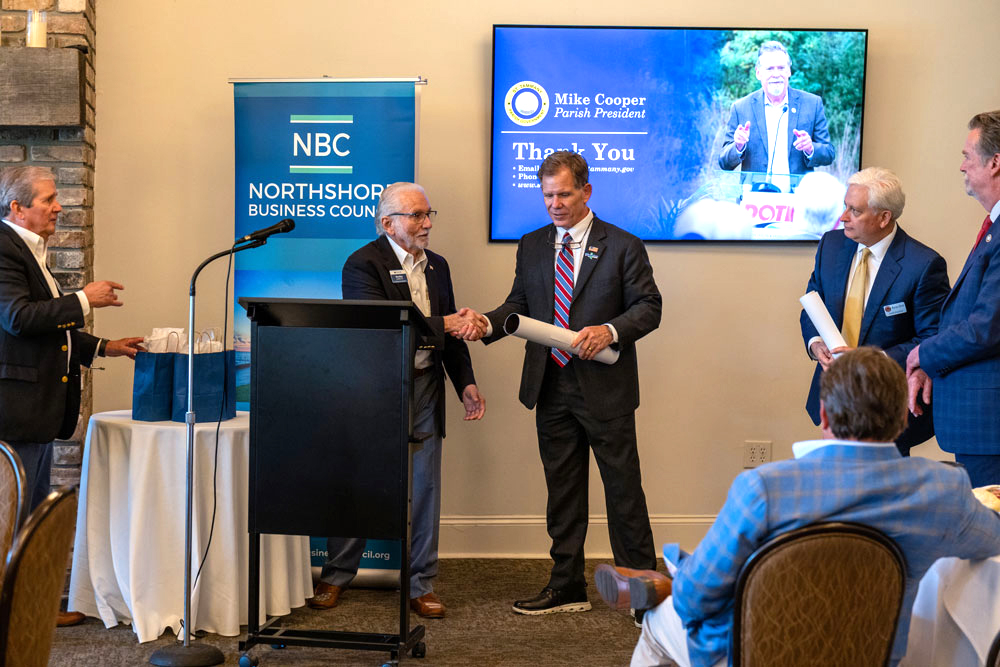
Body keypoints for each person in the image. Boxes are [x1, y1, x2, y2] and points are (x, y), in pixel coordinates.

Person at [599, 347, 1000, 667]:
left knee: (661, 616)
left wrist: (683, 586)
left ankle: (664, 581)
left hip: (756, 654)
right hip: (872, 656)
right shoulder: (942, 488)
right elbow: (991, 539)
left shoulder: (764, 488)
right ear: (900, 420)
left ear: (824, 415)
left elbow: (694, 603)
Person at [460, 150, 661, 615]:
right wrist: (486, 325)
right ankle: (567, 587)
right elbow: (518, 304)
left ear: (586, 191)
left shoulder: (623, 245)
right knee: (563, 493)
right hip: (550, 385)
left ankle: (643, 597)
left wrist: (609, 330)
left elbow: (649, 307)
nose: (555, 203)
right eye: (547, 194)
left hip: (605, 388)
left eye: (564, 194)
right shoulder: (531, 244)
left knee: (624, 493)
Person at [308, 182, 486, 619]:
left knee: (425, 487)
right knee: (361, 481)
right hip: (375, 388)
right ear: (388, 223)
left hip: (426, 385)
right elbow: (384, 325)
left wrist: (465, 382)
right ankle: (335, 575)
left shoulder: (438, 266)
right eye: (417, 216)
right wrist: (446, 323)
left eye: (429, 214)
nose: (427, 224)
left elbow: (451, 337)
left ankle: (420, 584)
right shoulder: (363, 264)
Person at [0, 165, 144, 626]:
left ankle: (32, 608)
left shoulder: (30, 250)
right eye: (47, 200)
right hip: (14, 410)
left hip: (37, 412)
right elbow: (19, 319)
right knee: (11, 521)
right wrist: (84, 299)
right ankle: (14, 617)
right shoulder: (3, 249)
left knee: (30, 519)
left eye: (56, 197)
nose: (58, 207)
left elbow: (51, 331)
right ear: (17, 208)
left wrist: (107, 347)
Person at [801, 167, 950, 455]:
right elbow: (812, 303)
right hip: (834, 394)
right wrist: (815, 343)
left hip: (887, 405)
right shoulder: (830, 245)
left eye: (854, 211)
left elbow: (933, 336)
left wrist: (871, 360)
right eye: (845, 207)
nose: (844, 217)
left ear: (884, 217)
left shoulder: (923, 265)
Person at [906, 110, 1000, 486]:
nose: (961, 167)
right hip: (978, 424)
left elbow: (986, 326)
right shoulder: (993, 228)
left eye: (966, 156)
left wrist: (921, 355)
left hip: (989, 426)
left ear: (995, 163)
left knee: (990, 538)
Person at [718, 41, 835, 190]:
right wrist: (738, 146)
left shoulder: (812, 104)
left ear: (789, 71)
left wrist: (810, 148)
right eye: (769, 69)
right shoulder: (741, 108)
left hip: (797, 201)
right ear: (758, 73)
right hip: (754, 202)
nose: (776, 74)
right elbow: (724, 163)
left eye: (781, 68)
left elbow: (829, 153)